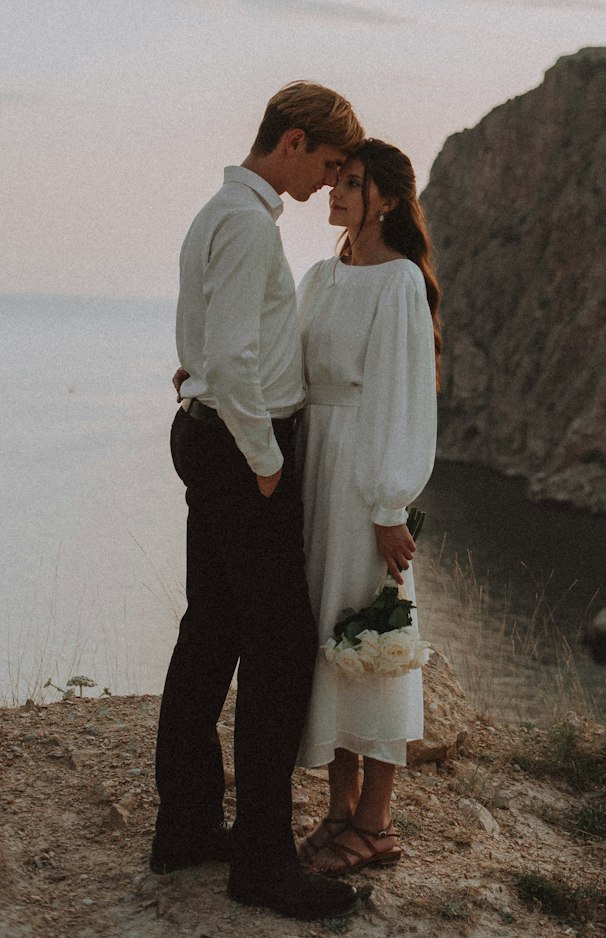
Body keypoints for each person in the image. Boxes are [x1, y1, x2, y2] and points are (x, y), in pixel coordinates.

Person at [151, 82, 365, 922]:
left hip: (210, 436)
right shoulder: (245, 223)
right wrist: (268, 461)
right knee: (279, 647)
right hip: (241, 453)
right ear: (294, 142)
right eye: (328, 163)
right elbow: (237, 360)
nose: (327, 183)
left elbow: (204, 340)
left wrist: (213, 395)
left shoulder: (221, 211)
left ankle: (189, 827)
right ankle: (264, 863)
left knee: (210, 631)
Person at [294, 139, 440, 876]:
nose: (336, 194)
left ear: (385, 198)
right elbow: (286, 363)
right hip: (316, 471)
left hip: (361, 480)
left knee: (372, 636)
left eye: (353, 184)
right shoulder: (323, 276)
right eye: (337, 182)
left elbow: (403, 397)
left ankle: (378, 824)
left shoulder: (400, 284)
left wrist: (389, 504)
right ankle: (339, 811)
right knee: (330, 636)